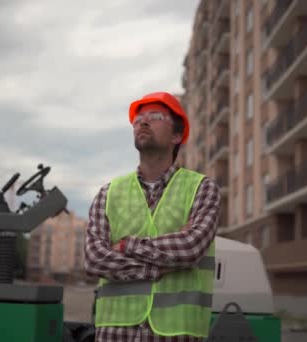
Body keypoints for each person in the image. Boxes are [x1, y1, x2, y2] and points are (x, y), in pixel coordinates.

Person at [84, 91, 221, 341]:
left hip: (177, 332)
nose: (143, 122)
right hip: (116, 332)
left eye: (155, 116)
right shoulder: (109, 193)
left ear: (177, 135)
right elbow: (95, 259)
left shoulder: (202, 188)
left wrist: (127, 245)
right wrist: (154, 270)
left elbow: (190, 246)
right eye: (138, 119)